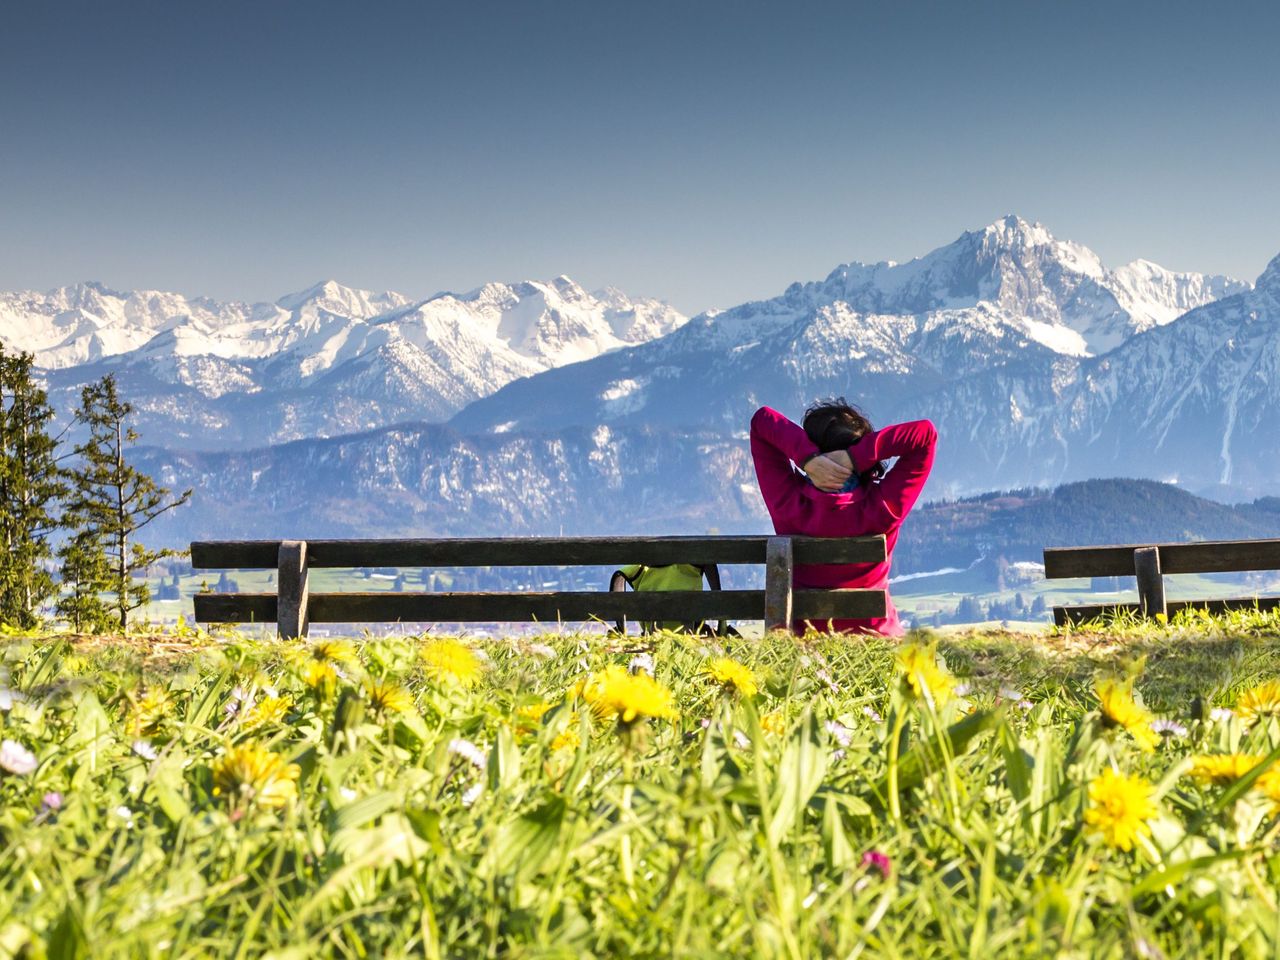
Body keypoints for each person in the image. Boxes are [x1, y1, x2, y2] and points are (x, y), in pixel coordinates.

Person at [749, 398, 937, 636]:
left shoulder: (788, 502)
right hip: (877, 639)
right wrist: (856, 457)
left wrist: (807, 457)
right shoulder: (882, 506)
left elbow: (762, 422)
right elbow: (925, 435)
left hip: (806, 645)